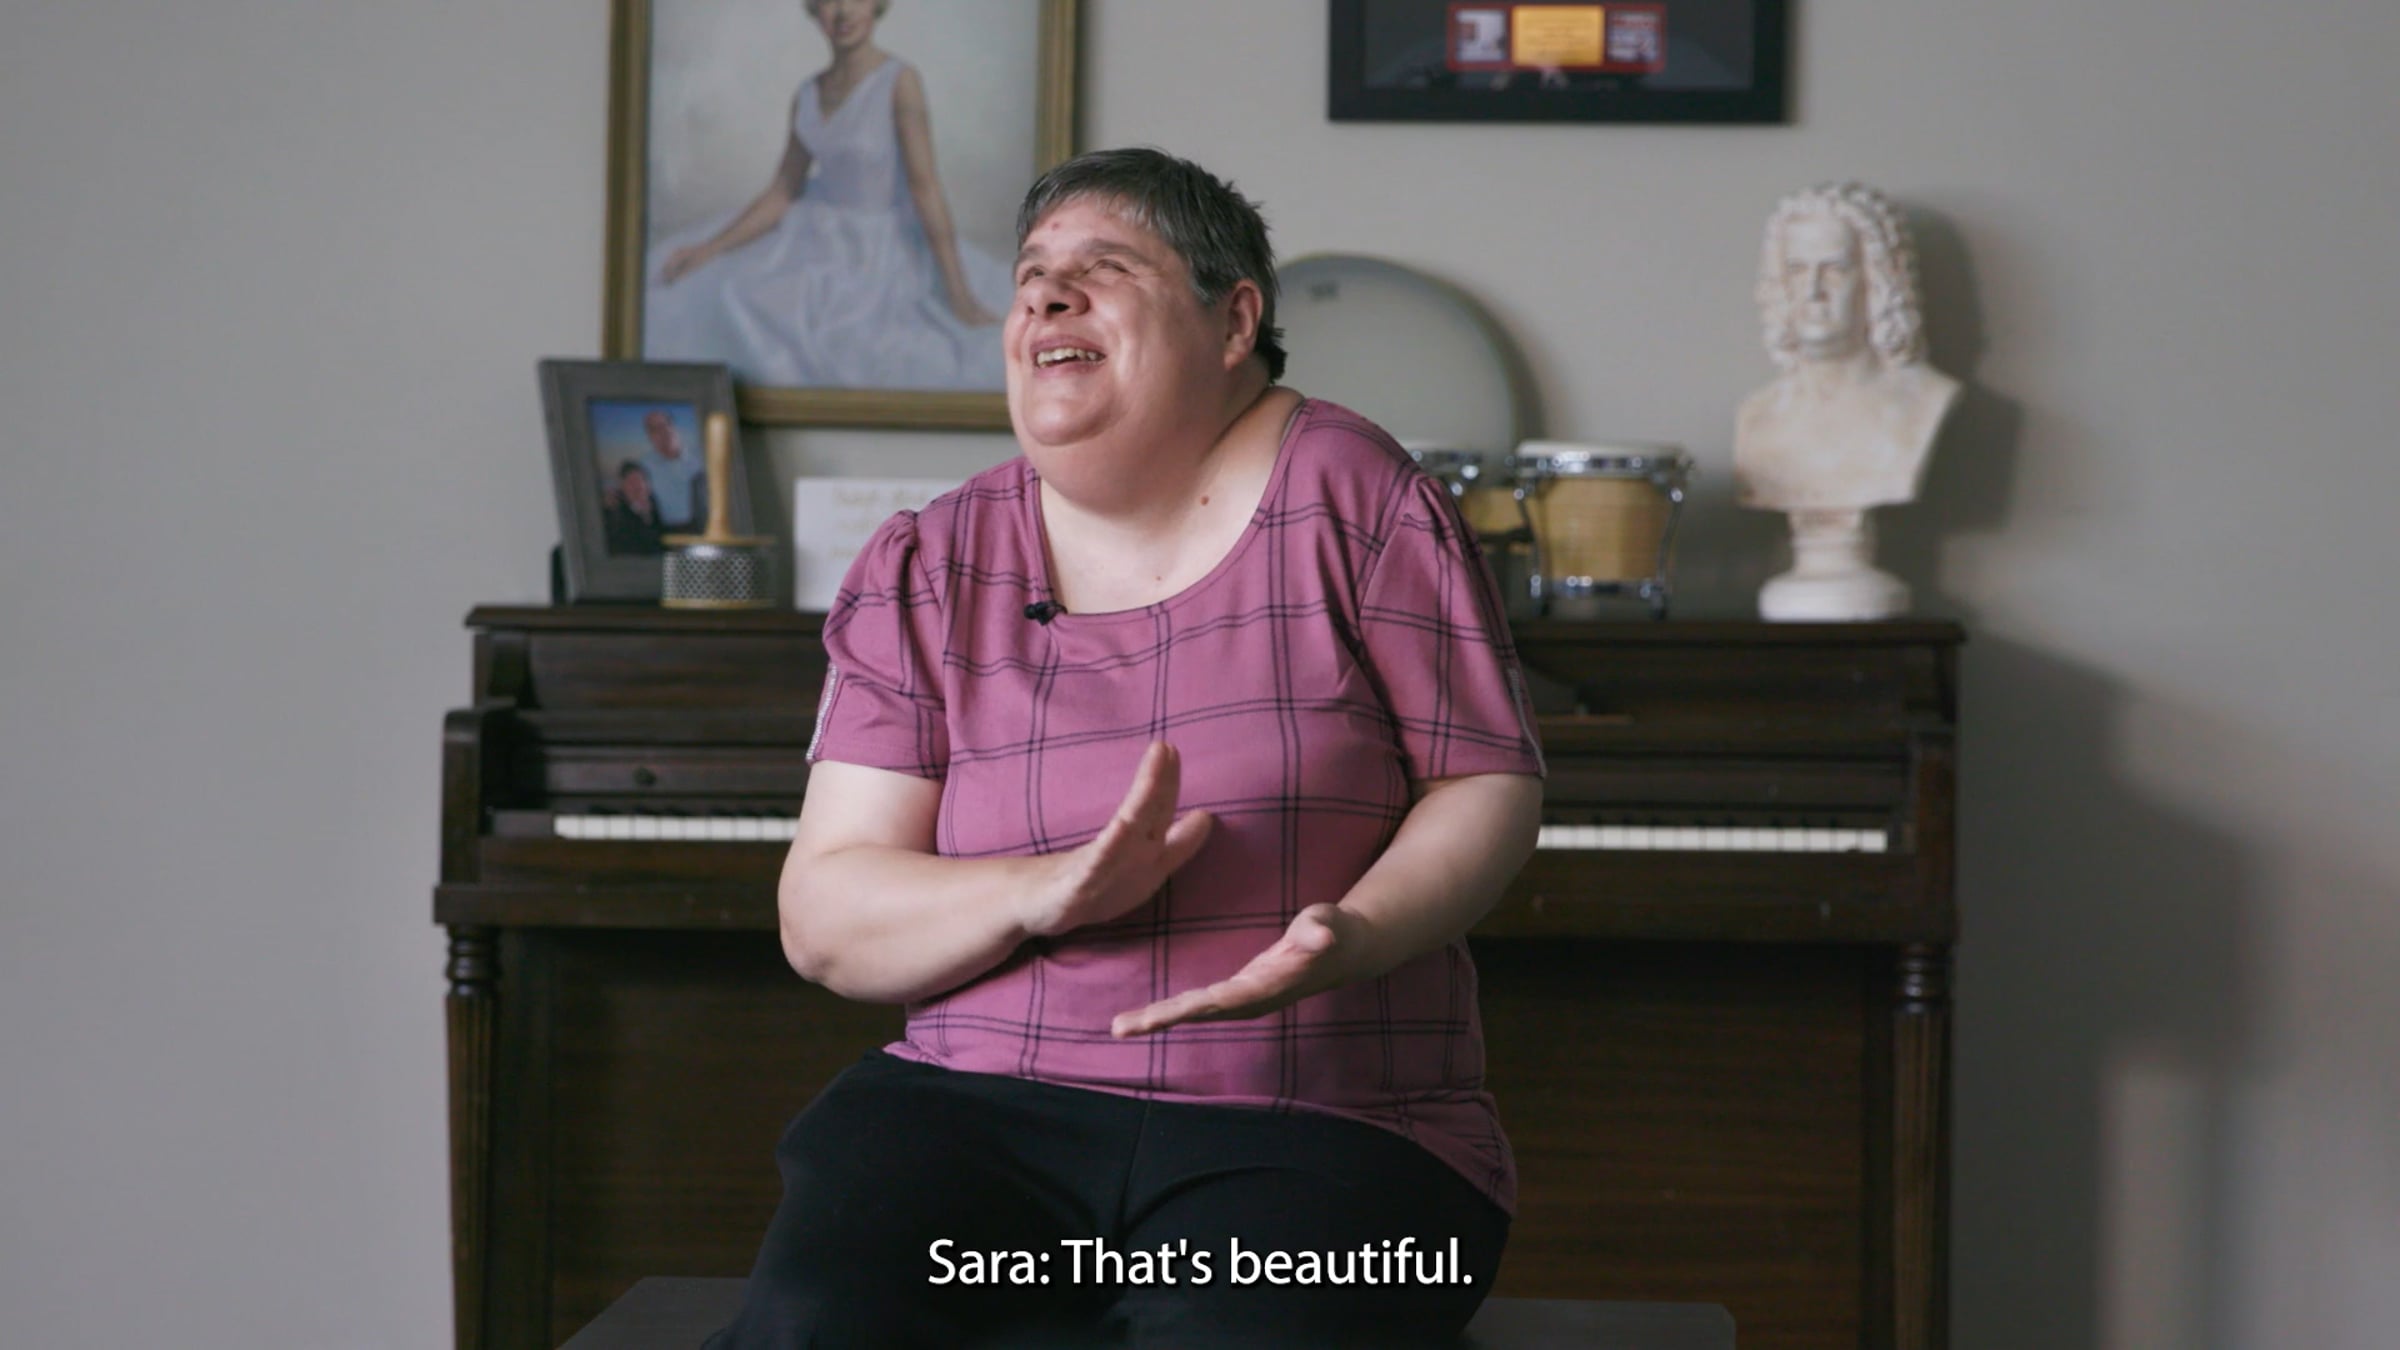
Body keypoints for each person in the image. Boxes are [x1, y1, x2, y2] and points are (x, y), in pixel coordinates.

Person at [702, 148, 1546, 1349]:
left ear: (1234, 321)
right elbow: (825, 917)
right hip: (982, 1114)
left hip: (1324, 1124)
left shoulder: (1357, 495)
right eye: (1031, 279)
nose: (1048, 297)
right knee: (815, 1326)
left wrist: (1355, 935)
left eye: (1103, 270)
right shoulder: (932, 560)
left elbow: (1485, 779)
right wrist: (1040, 891)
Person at [645, 0, 1012, 391]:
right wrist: (709, 248)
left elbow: (926, 189)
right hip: (809, 237)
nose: (842, 13)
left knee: (868, 345)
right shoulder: (807, 93)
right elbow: (783, 190)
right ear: (814, 10)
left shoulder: (899, 82)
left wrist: (959, 295)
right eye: (828, 1)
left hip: (879, 251)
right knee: (727, 293)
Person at [1734, 181, 1959, 619]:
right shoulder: (1756, 416)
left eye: (1835, 269)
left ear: (1877, 280)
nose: (1814, 291)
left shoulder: (1923, 402)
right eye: (1797, 270)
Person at [635, 409, 706, 533]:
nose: (662, 432)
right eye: (655, 429)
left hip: (705, 527)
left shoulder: (701, 458)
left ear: (674, 427)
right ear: (649, 436)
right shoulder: (643, 466)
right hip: (666, 532)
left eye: (665, 425)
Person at [600, 460, 666, 555]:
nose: (637, 487)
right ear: (622, 486)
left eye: (640, 480)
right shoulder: (616, 512)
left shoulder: (653, 503)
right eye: (631, 482)